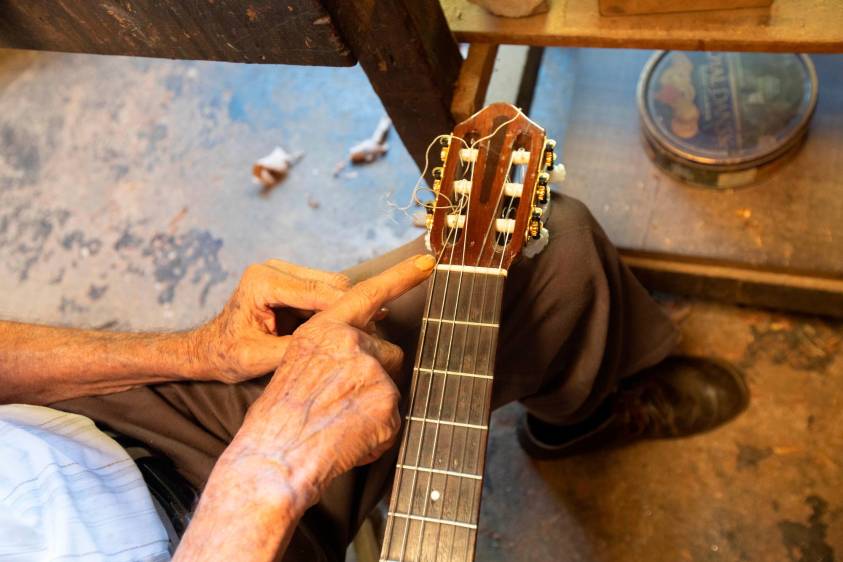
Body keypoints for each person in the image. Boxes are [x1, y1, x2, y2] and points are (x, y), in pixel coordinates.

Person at [0, 195, 748, 561]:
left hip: (114, 434)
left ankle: (575, 421)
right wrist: (257, 491)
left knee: (550, 252)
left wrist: (197, 354)